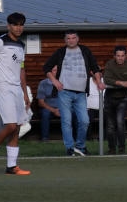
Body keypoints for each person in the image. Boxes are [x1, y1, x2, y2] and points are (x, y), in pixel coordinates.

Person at [0, 11, 30, 175]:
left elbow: (21, 69)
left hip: (17, 89)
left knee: (17, 127)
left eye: (21, 25)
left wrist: (25, 93)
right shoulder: (0, 41)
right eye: (15, 25)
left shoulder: (21, 45)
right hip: (3, 87)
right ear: (8, 26)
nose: (18, 28)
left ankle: (11, 166)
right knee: (10, 125)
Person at [42, 29, 105, 158]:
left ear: (78, 39)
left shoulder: (85, 51)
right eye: (68, 38)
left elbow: (95, 68)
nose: (71, 40)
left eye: (73, 38)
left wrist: (99, 82)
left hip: (81, 93)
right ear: (65, 40)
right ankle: (70, 148)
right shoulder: (60, 52)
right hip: (64, 92)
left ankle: (80, 146)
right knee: (67, 121)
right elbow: (46, 67)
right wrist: (54, 81)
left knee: (84, 121)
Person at [101, 45, 127, 155]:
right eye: (118, 56)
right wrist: (121, 83)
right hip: (109, 98)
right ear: (114, 56)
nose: (120, 58)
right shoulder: (109, 64)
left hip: (123, 98)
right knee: (110, 126)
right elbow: (107, 79)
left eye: (122, 56)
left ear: (126, 56)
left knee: (120, 123)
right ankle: (112, 149)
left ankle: (122, 148)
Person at [34, 76, 60, 142]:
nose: (56, 72)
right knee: (45, 113)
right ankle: (45, 138)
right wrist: (54, 110)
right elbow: (40, 102)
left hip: (62, 107)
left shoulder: (65, 82)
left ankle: (79, 138)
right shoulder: (43, 83)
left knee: (74, 112)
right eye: (54, 71)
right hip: (48, 107)